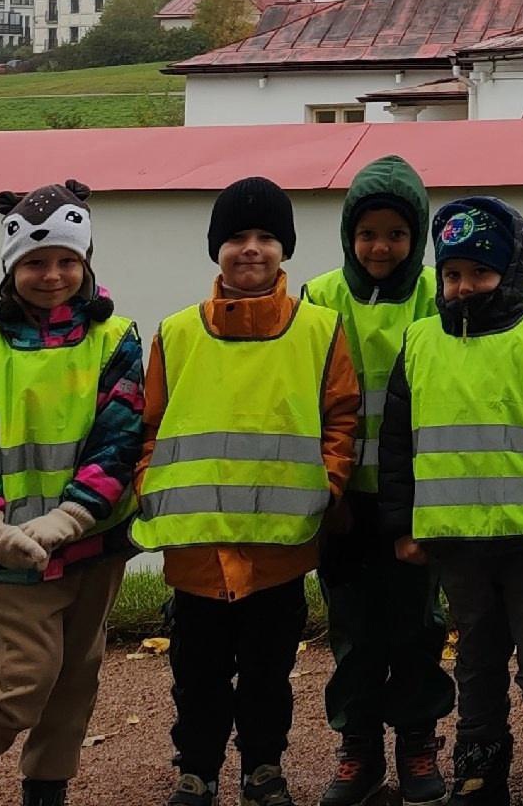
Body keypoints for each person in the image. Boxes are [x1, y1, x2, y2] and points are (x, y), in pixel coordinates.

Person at [0, 184, 146, 806]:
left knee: (75, 675)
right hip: (7, 550)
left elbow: (120, 436)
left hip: (90, 539)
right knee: (23, 679)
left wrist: (73, 516)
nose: (53, 275)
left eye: (68, 261)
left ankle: (47, 786)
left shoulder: (116, 339)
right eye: (35, 263)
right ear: (12, 268)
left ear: (86, 262)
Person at [134, 175, 364, 806]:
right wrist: (147, 489)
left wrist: (328, 484)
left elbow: (341, 418)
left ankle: (264, 769)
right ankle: (196, 770)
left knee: (269, 672)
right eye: (237, 236)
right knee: (196, 674)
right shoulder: (176, 332)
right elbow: (149, 428)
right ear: (217, 248)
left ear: (285, 249)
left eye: (266, 236)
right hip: (197, 548)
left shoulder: (320, 328)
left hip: (279, 546)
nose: (251, 249)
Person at [385, 197, 523, 806]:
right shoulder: (422, 341)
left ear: (512, 273)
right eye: (452, 274)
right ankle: (480, 762)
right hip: (457, 543)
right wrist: (402, 526)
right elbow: (398, 442)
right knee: (476, 662)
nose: (463, 286)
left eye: (479, 273)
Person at [304, 156, 454, 806]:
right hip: (344, 504)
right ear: (348, 234)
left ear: (415, 236)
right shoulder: (318, 297)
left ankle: (418, 741)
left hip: (416, 501)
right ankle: (358, 747)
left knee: (419, 627)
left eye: (396, 233)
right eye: (368, 233)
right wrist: (326, 492)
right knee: (355, 631)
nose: (381, 247)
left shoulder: (437, 295)